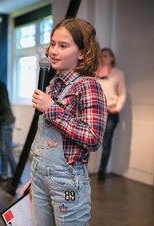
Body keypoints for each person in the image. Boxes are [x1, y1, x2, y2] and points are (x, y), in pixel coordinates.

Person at [29, 18, 107, 225]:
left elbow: (93, 138)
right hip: (39, 176)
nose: (53, 51)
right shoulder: (52, 84)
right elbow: (43, 135)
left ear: (82, 53)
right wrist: (35, 176)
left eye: (63, 46)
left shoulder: (89, 87)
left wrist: (52, 109)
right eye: (52, 44)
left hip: (67, 182)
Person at [96, 48, 126, 181]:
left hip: (110, 112)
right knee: (88, 140)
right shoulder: (95, 73)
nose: (103, 58)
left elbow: (122, 93)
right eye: (101, 56)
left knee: (106, 142)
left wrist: (117, 108)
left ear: (112, 58)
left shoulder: (118, 74)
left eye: (106, 56)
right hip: (96, 112)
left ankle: (102, 170)